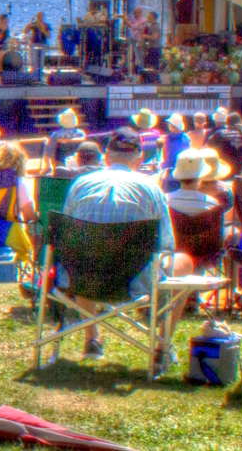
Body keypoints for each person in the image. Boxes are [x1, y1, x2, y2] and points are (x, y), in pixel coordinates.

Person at [60, 129, 173, 360]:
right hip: (132, 282)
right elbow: (167, 243)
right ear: (139, 159)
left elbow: (66, 235)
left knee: (86, 252)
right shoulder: (151, 188)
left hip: (81, 278)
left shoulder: (81, 183)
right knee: (183, 262)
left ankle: (92, 338)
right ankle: (162, 346)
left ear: (107, 156)